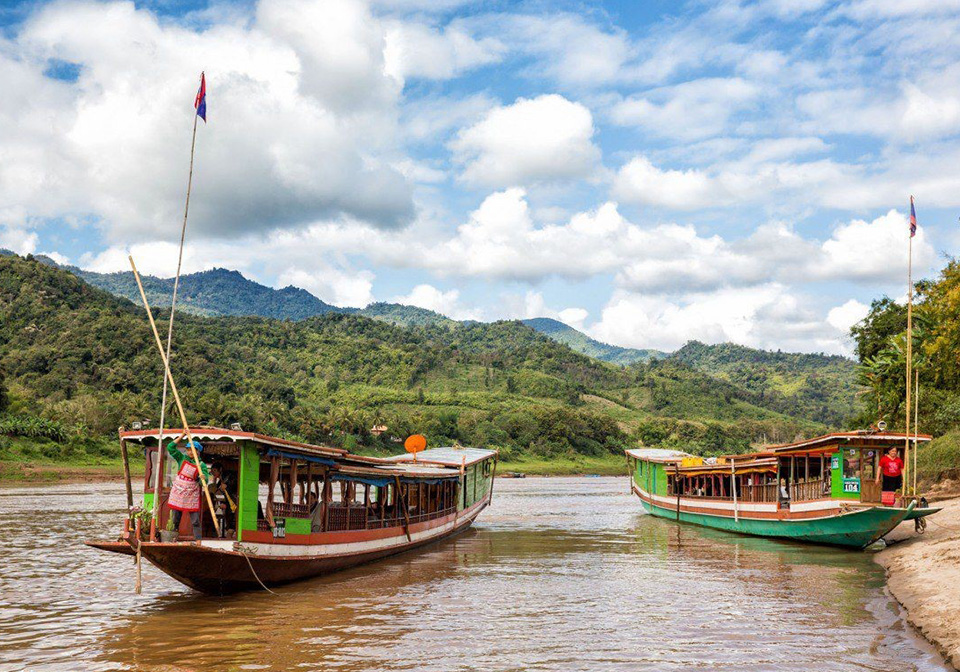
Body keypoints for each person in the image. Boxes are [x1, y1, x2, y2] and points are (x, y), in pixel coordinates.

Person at [166, 439, 210, 540]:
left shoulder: (201, 464)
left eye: (192, 450)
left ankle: (198, 540)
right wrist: (182, 435)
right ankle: (173, 538)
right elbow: (170, 447)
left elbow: (205, 481)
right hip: (179, 492)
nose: (190, 452)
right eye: (188, 450)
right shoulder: (182, 458)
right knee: (175, 519)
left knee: (195, 521)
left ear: (198, 452)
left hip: (191, 494)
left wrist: (202, 478)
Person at [209, 462, 237, 537]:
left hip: (236, 503)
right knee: (230, 525)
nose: (213, 473)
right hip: (230, 506)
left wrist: (227, 487)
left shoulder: (228, 476)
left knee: (232, 526)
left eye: (214, 470)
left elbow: (236, 485)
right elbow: (220, 495)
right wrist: (222, 503)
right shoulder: (219, 483)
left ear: (220, 469)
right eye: (212, 471)